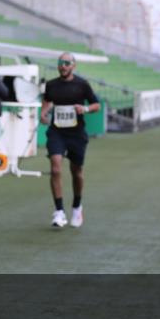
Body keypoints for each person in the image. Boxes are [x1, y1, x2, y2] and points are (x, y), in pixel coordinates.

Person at [40, 53, 100, 229]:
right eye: (60, 63)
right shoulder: (51, 85)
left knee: (77, 171)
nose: (63, 66)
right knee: (55, 167)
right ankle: (59, 212)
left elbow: (96, 105)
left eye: (67, 63)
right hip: (57, 132)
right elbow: (47, 101)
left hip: (76, 134)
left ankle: (77, 206)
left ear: (73, 65)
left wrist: (85, 108)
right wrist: (43, 113)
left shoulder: (82, 84)